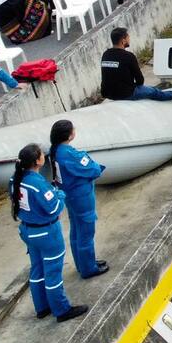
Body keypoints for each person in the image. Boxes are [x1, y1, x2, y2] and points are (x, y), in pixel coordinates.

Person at [9, 143, 88, 322]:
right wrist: (59, 195)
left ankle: (42, 307)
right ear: (37, 161)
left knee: (37, 269)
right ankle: (61, 309)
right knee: (53, 272)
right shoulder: (37, 184)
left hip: (28, 231)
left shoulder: (15, 180)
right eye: (41, 155)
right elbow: (54, 208)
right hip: (46, 233)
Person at [49, 120, 108, 280]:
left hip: (70, 195)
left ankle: (83, 263)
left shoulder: (55, 151)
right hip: (80, 196)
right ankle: (89, 268)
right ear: (69, 135)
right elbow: (92, 169)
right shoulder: (69, 154)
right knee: (86, 231)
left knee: (76, 230)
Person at [100, 27, 172, 101]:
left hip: (107, 94)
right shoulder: (129, 56)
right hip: (125, 94)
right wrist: (132, 86)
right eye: (128, 38)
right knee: (153, 92)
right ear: (123, 41)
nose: (129, 39)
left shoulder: (105, 54)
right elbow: (140, 80)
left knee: (148, 88)